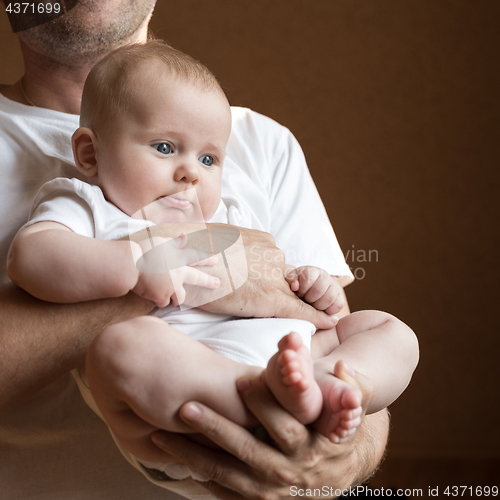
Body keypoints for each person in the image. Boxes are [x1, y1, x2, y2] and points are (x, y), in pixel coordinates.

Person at [0, 1, 391, 498]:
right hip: (164, 437)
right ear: (88, 153)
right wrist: (205, 262)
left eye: (209, 159)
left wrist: (341, 454)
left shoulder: (261, 141)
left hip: (282, 395)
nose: (191, 172)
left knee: (387, 333)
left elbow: (325, 331)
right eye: (164, 148)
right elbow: (39, 259)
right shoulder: (81, 202)